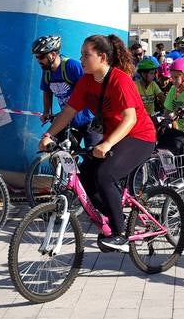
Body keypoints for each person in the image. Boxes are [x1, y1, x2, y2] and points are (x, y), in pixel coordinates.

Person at [40, 34, 156, 252]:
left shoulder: (119, 80)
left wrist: (107, 144)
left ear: (102, 57)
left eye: (86, 55)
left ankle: (120, 234)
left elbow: (130, 118)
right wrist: (49, 135)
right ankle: (115, 218)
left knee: (105, 175)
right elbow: (68, 112)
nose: (81, 59)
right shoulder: (85, 82)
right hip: (114, 138)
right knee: (86, 179)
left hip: (140, 136)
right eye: (81, 54)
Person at [33, 35, 93, 143]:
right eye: (36, 57)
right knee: (58, 151)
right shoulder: (47, 72)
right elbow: (47, 91)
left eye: (41, 57)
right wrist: (46, 111)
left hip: (89, 119)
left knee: (94, 155)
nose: (38, 60)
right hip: (68, 119)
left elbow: (90, 88)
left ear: (53, 54)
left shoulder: (72, 66)